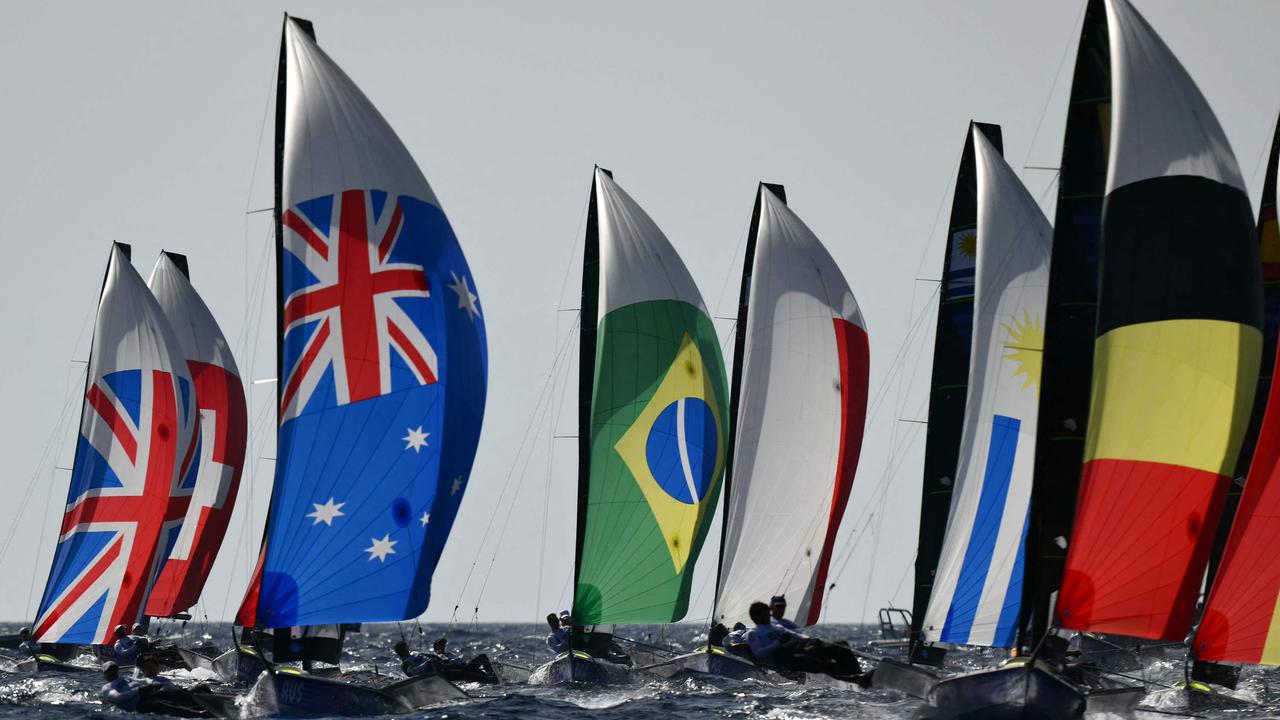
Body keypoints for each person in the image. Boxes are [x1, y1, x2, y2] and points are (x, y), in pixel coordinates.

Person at [746, 601, 872, 686]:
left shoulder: (776, 626)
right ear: (757, 616)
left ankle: (860, 675)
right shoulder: (754, 633)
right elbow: (759, 653)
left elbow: (796, 635)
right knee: (821, 664)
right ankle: (854, 680)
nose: (769, 614)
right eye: (766, 612)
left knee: (841, 646)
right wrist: (778, 643)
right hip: (784, 658)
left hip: (801, 647)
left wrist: (809, 639)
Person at [427, 637, 497, 681]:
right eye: (440, 645)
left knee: (483, 657)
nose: (443, 646)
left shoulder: (449, 654)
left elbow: (457, 660)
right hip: (461, 672)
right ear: (435, 647)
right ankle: (492, 677)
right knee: (482, 660)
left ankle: (492, 674)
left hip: (465, 668)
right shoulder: (436, 656)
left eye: (443, 645)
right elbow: (443, 663)